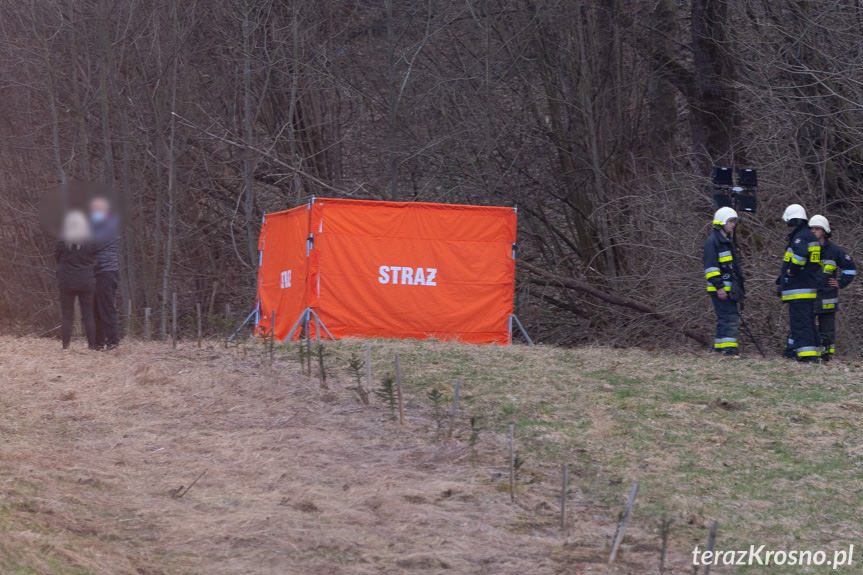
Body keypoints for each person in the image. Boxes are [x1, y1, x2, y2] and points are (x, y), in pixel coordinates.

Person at [777, 204, 821, 363]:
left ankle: (806, 356)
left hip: (799, 287)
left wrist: (791, 271)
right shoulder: (809, 236)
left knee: (800, 323)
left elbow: (800, 256)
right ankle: (808, 352)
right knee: (806, 322)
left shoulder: (800, 236)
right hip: (807, 286)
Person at [809, 215, 856, 362]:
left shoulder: (835, 251)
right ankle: (807, 355)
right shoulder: (805, 248)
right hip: (808, 296)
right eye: (811, 228)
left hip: (827, 297)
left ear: (824, 231)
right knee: (806, 327)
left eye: (817, 228)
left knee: (827, 329)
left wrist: (841, 282)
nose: (813, 231)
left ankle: (826, 356)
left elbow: (850, 268)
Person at [703, 206, 744, 357]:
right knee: (730, 318)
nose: (733, 224)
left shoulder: (725, 241)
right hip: (720, 289)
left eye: (734, 221)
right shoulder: (713, 242)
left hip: (727, 288)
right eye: (730, 221)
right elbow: (711, 268)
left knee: (724, 318)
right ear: (721, 222)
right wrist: (719, 287)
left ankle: (720, 350)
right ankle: (730, 351)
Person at [56, 211, 97, 350]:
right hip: (86, 281)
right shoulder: (90, 241)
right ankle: (92, 346)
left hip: (66, 281)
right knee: (88, 314)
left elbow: (57, 258)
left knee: (67, 315)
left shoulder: (63, 241)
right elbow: (94, 258)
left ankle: (65, 346)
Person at [90, 196, 121, 350]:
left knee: (106, 307)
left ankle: (112, 341)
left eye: (97, 209)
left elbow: (92, 245)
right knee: (95, 308)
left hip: (106, 271)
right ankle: (97, 342)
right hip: (96, 272)